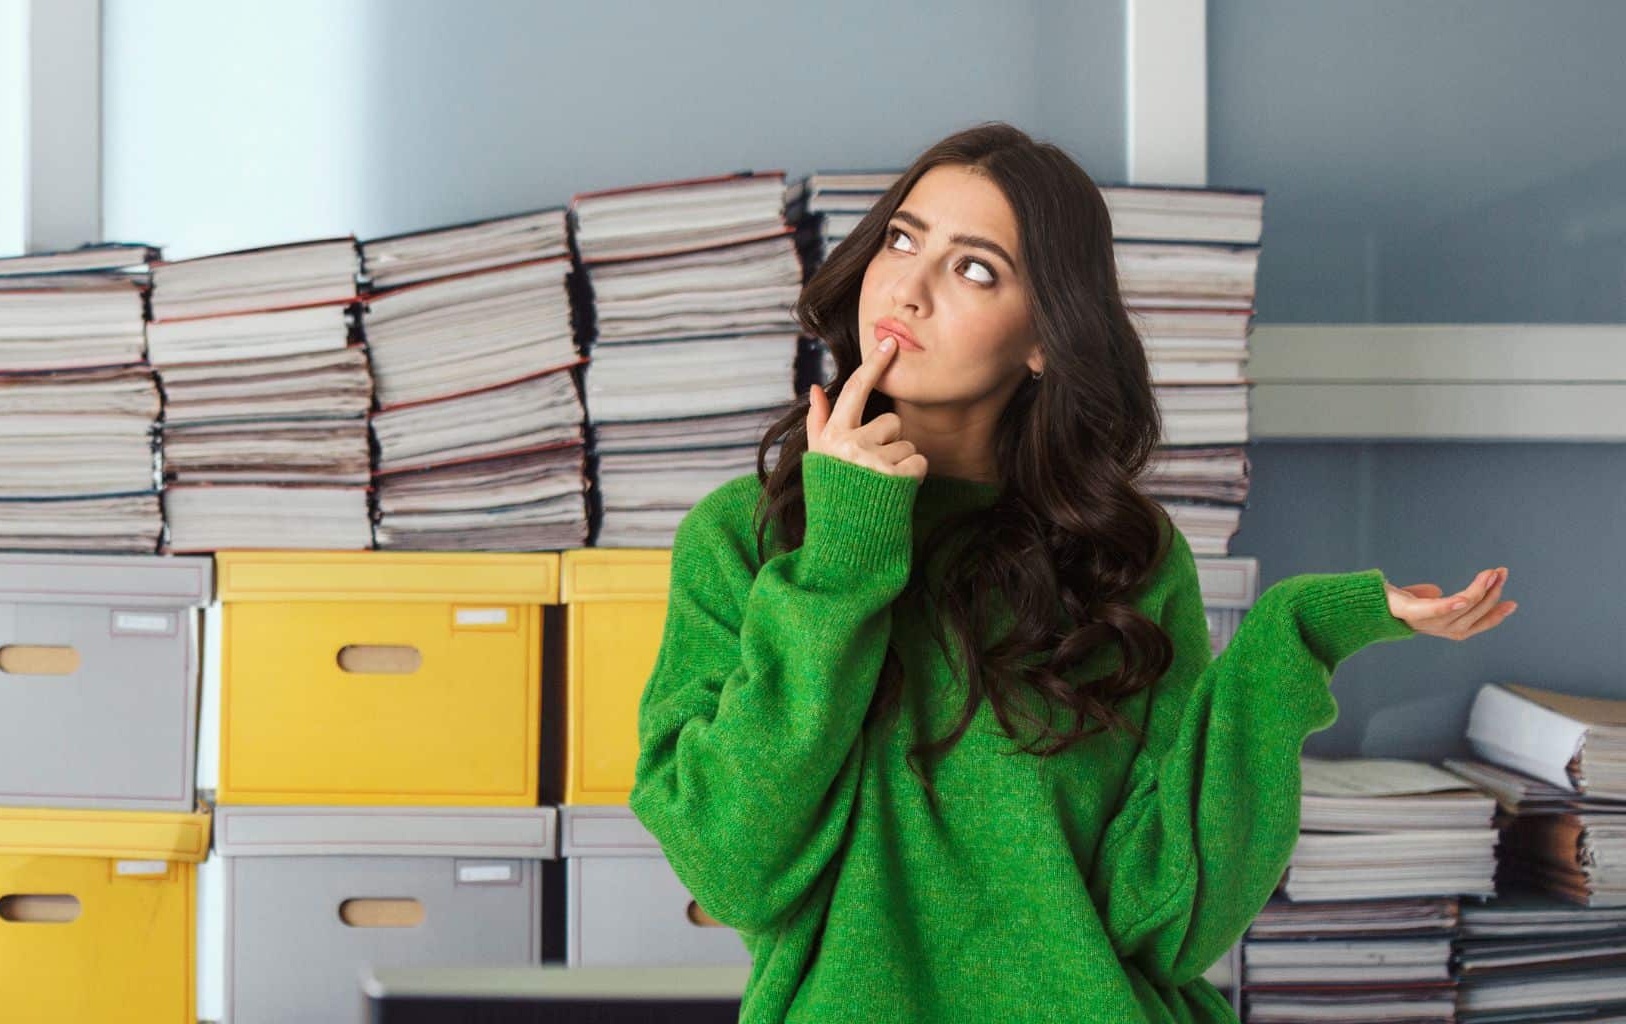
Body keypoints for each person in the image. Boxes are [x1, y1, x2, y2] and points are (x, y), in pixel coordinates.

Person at [626, 121, 1516, 1023]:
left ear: (1046, 338)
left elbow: (1169, 921)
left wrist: (1296, 637)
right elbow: (731, 868)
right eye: (902, 238)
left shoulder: (1121, 553)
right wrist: (843, 559)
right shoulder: (747, 537)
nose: (910, 286)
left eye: (975, 268)